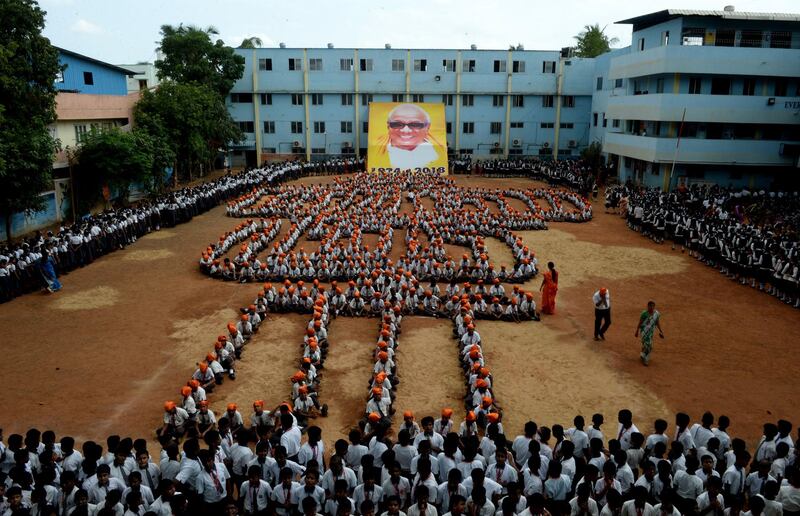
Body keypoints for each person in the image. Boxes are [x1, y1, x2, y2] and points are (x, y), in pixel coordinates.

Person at [372, 104, 445, 171]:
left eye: (415, 124)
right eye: (397, 124)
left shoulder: (439, 153)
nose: (405, 130)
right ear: (388, 126)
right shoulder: (376, 153)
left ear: (427, 127)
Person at [634, 301, 664, 366]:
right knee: (649, 345)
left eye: (653, 306)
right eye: (650, 306)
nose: (652, 307)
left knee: (646, 345)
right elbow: (640, 322)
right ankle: (646, 359)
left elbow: (657, 323)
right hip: (644, 332)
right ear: (648, 306)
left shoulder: (656, 314)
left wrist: (660, 331)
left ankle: (643, 354)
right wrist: (637, 331)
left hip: (651, 332)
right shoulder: (644, 314)